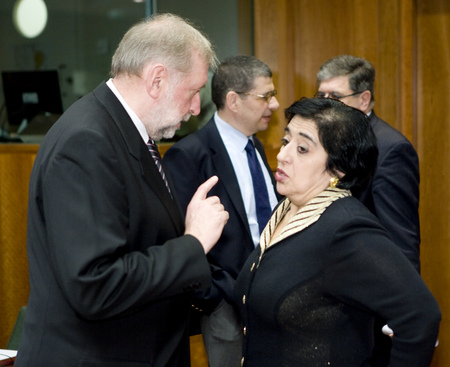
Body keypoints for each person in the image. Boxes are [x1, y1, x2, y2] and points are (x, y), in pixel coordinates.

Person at [16, 13, 229, 367]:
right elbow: (95, 285)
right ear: (157, 79)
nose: (195, 109)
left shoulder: (126, 132)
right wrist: (192, 244)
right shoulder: (87, 141)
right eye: (193, 91)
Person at [234, 98, 440, 367]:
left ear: (337, 169)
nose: (283, 155)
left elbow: (420, 317)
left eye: (303, 148)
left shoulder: (347, 229)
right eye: (286, 142)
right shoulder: (286, 209)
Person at [163, 55, 281, 367]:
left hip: (272, 296)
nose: (275, 104)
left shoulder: (256, 146)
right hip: (225, 305)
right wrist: (213, 296)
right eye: (265, 96)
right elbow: (179, 236)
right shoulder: (189, 156)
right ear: (233, 100)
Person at [316, 54, 421, 365]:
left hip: (372, 302)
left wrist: (401, 310)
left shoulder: (391, 149)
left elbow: (401, 236)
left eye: (334, 97)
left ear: (364, 99)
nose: (324, 105)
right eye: (320, 95)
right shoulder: (331, 140)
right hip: (334, 299)